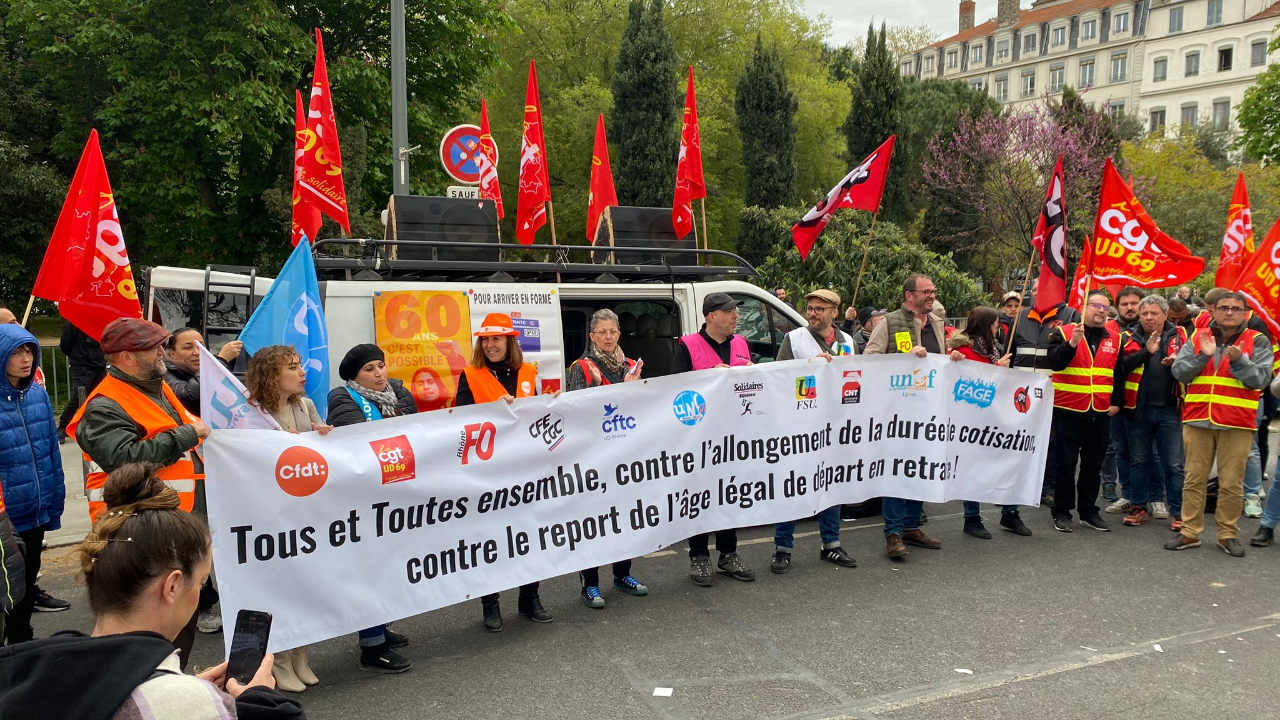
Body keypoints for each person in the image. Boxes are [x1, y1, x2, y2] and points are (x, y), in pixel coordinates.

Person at [0, 462, 305, 720]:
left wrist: (171, 686)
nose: (199, 595)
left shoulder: (36, 673)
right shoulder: (189, 705)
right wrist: (263, 702)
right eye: (200, 583)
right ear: (171, 586)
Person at [67, 317, 210, 667]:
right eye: (154, 347)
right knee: (140, 630)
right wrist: (186, 437)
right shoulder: (104, 406)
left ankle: (163, 689)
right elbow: (124, 459)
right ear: (127, 357)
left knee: (175, 624)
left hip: (167, 525)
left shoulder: (155, 387)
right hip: (134, 531)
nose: (163, 352)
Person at [454, 313, 556, 628]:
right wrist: (495, 411)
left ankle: (530, 597)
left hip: (524, 468)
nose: (489, 345)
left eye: (496, 339)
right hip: (489, 472)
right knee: (490, 539)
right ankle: (490, 603)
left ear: (509, 341)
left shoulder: (528, 371)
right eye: (485, 339)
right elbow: (462, 421)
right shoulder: (470, 374)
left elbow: (536, 414)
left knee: (529, 533)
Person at [245, 345, 333, 691]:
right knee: (278, 589)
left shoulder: (304, 404)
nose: (302, 372)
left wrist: (323, 435)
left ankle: (300, 655)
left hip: (303, 513)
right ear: (271, 376)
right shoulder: (253, 412)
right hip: (270, 516)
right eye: (293, 367)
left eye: (300, 365)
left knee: (304, 585)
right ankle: (278, 660)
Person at [326, 344, 416, 673]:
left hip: (399, 493)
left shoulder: (400, 394)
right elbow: (355, 445)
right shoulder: (343, 399)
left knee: (390, 568)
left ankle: (380, 627)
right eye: (369, 369)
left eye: (380, 365)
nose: (379, 373)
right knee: (371, 569)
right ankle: (371, 647)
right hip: (366, 500)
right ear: (354, 376)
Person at [1168, 292, 1272, 557]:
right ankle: (1190, 533)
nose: (1229, 312)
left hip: (1237, 422)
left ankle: (1227, 535)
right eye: (1223, 307)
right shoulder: (1197, 337)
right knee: (1193, 479)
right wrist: (1202, 356)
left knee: (1231, 483)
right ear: (1213, 311)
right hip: (1198, 418)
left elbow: (1261, 379)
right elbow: (1179, 372)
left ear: (1244, 313)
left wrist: (1239, 360)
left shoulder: (1258, 340)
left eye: (1235, 308)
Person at [563, 310, 651, 606]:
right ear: (592, 337)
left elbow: (643, 411)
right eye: (602, 332)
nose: (609, 336)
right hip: (594, 459)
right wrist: (621, 390)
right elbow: (577, 414)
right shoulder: (581, 368)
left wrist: (636, 388)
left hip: (625, 456)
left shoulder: (630, 365)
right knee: (595, 521)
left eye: (613, 331)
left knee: (625, 517)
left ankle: (622, 573)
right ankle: (590, 583)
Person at [771, 290, 859, 575]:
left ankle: (831, 544)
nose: (813, 313)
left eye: (820, 309)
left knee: (830, 485)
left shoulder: (847, 341)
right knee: (794, 485)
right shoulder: (794, 339)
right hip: (802, 426)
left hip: (834, 425)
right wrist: (810, 366)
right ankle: (782, 548)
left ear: (835, 311)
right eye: (810, 308)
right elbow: (779, 378)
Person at [672, 294, 756, 585]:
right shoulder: (688, 346)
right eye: (729, 311)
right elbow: (675, 390)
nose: (735, 316)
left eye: (735, 311)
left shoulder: (742, 343)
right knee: (700, 497)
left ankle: (728, 554)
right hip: (700, 438)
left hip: (735, 436)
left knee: (730, 494)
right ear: (711, 316)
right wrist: (709, 376)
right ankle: (699, 557)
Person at [863, 274, 945, 559]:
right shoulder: (889, 322)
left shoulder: (936, 322)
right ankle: (894, 533)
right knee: (897, 471)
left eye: (933, 291)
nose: (932, 296)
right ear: (910, 295)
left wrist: (953, 359)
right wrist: (904, 356)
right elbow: (870, 359)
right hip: (896, 414)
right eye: (927, 292)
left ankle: (911, 526)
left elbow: (940, 362)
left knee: (921, 468)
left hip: (929, 412)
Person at [0, 324, 67, 643]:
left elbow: (52, 452)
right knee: (6, 587)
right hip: (5, 516)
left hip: (35, 509)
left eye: (29, 351)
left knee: (26, 584)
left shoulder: (37, 394)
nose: (25, 359)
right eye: (16, 352)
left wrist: (54, 500)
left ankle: (21, 642)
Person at [946, 307, 1033, 539]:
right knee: (973, 468)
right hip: (972, 420)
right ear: (986, 325)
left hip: (997, 417)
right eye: (996, 325)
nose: (999, 329)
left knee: (1007, 463)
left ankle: (1010, 512)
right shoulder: (963, 350)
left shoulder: (996, 349)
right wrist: (998, 370)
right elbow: (972, 383)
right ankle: (972, 518)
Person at [1045, 290, 1123, 533]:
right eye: (1097, 305)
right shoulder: (1062, 332)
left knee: (1093, 464)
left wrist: (1117, 402)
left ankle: (1089, 511)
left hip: (1100, 411)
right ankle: (1062, 511)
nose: (1102, 310)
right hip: (1068, 409)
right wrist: (1072, 344)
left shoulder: (1116, 339)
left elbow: (1118, 374)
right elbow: (1055, 363)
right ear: (1083, 306)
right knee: (1066, 464)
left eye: (1106, 307)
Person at [1006, 278, 1080, 506]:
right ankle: (1018, 483)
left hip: (1054, 393)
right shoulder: (1021, 316)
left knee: (1053, 444)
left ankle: (1047, 487)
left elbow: (1074, 355)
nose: (1038, 293)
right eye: (1035, 289)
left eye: (1043, 288)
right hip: (1022, 394)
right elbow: (1010, 352)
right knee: (1021, 440)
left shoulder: (1071, 316)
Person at [1116, 296, 1186, 530]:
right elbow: (1121, 368)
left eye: (1154, 313)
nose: (1148, 317)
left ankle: (1178, 512)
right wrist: (1146, 352)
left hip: (1169, 410)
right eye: (1145, 313)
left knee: (1174, 464)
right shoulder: (1128, 337)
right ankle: (1139, 508)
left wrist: (1178, 362)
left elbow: (1194, 366)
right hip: (1137, 410)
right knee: (1138, 461)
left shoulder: (1181, 336)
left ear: (1165, 315)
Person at [1101, 287, 1145, 505]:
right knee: (1111, 446)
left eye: (1134, 303)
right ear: (1117, 306)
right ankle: (1109, 483)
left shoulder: (1149, 327)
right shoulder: (1108, 327)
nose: (1130, 307)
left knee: (1143, 452)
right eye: (1125, 303)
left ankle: (1144, 494)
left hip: (1142, 400)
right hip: (1111, 397)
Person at [162, 328, 244, 417]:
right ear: (172, 354)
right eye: (188, 347)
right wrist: (220, 361)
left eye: (201, 346)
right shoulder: (163, 372)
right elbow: (190, 397)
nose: (197, 352)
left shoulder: (207, 367)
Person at [56, 320, 107, 441]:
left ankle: (96, 425)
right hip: (82, 363)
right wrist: (76, 357)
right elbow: (65, 344)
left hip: (98, 362)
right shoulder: (73, 319)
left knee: (99, 395)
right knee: (78, 396)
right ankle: (63, 426)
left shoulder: (99, 318)